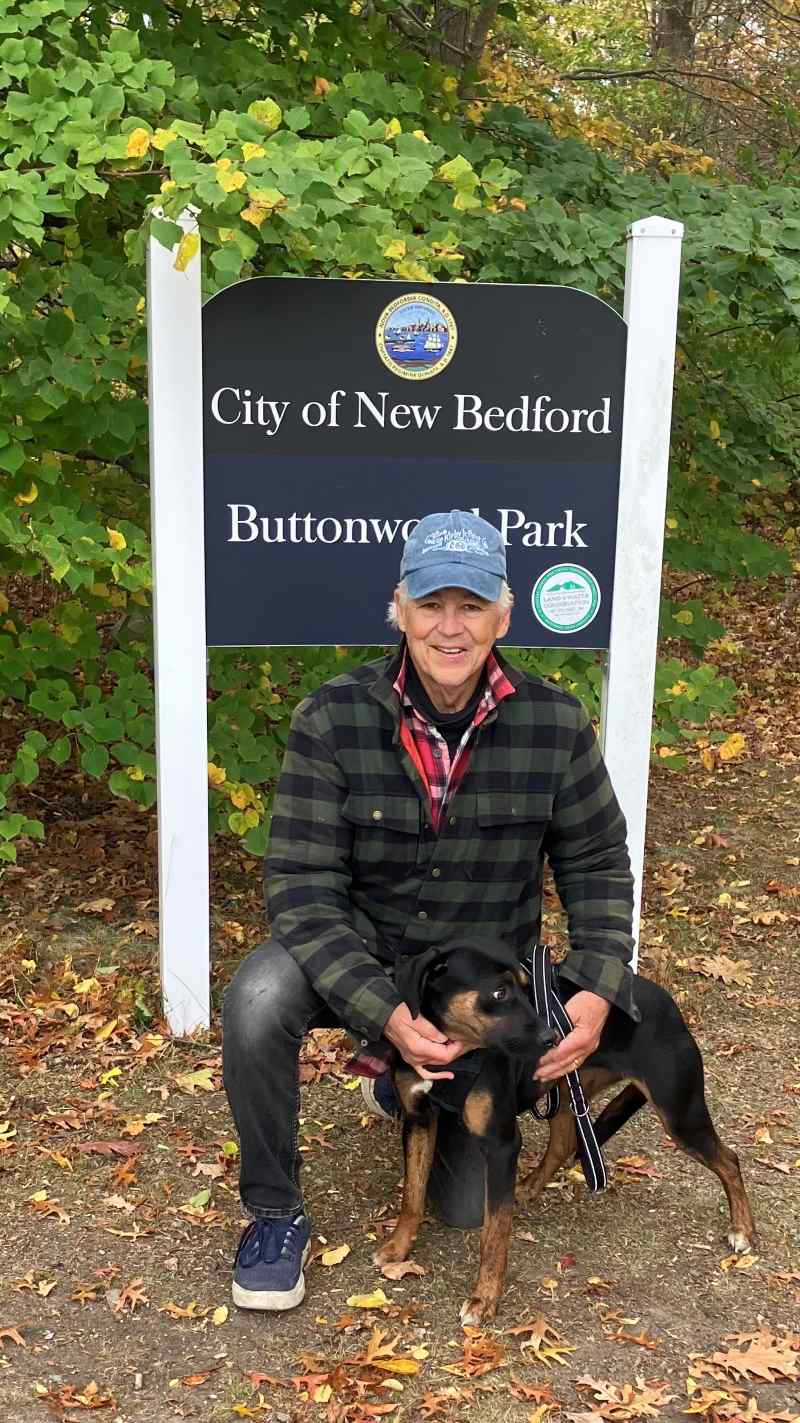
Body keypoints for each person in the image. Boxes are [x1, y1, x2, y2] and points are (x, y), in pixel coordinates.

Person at [222, 509, 639, 1312]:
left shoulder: (556, 724)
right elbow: (301, 887)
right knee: (258, 995)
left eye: (471, 605)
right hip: (363, 956)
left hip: (477, 982)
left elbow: (597, 864)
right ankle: (274, 1214)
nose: (452, 627)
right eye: (432, 604)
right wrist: (385, 1012)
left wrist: (595, 985)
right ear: (400, 610)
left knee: (461, 1208)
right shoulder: (331, 717)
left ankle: (399, 1089)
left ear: (503, 617)